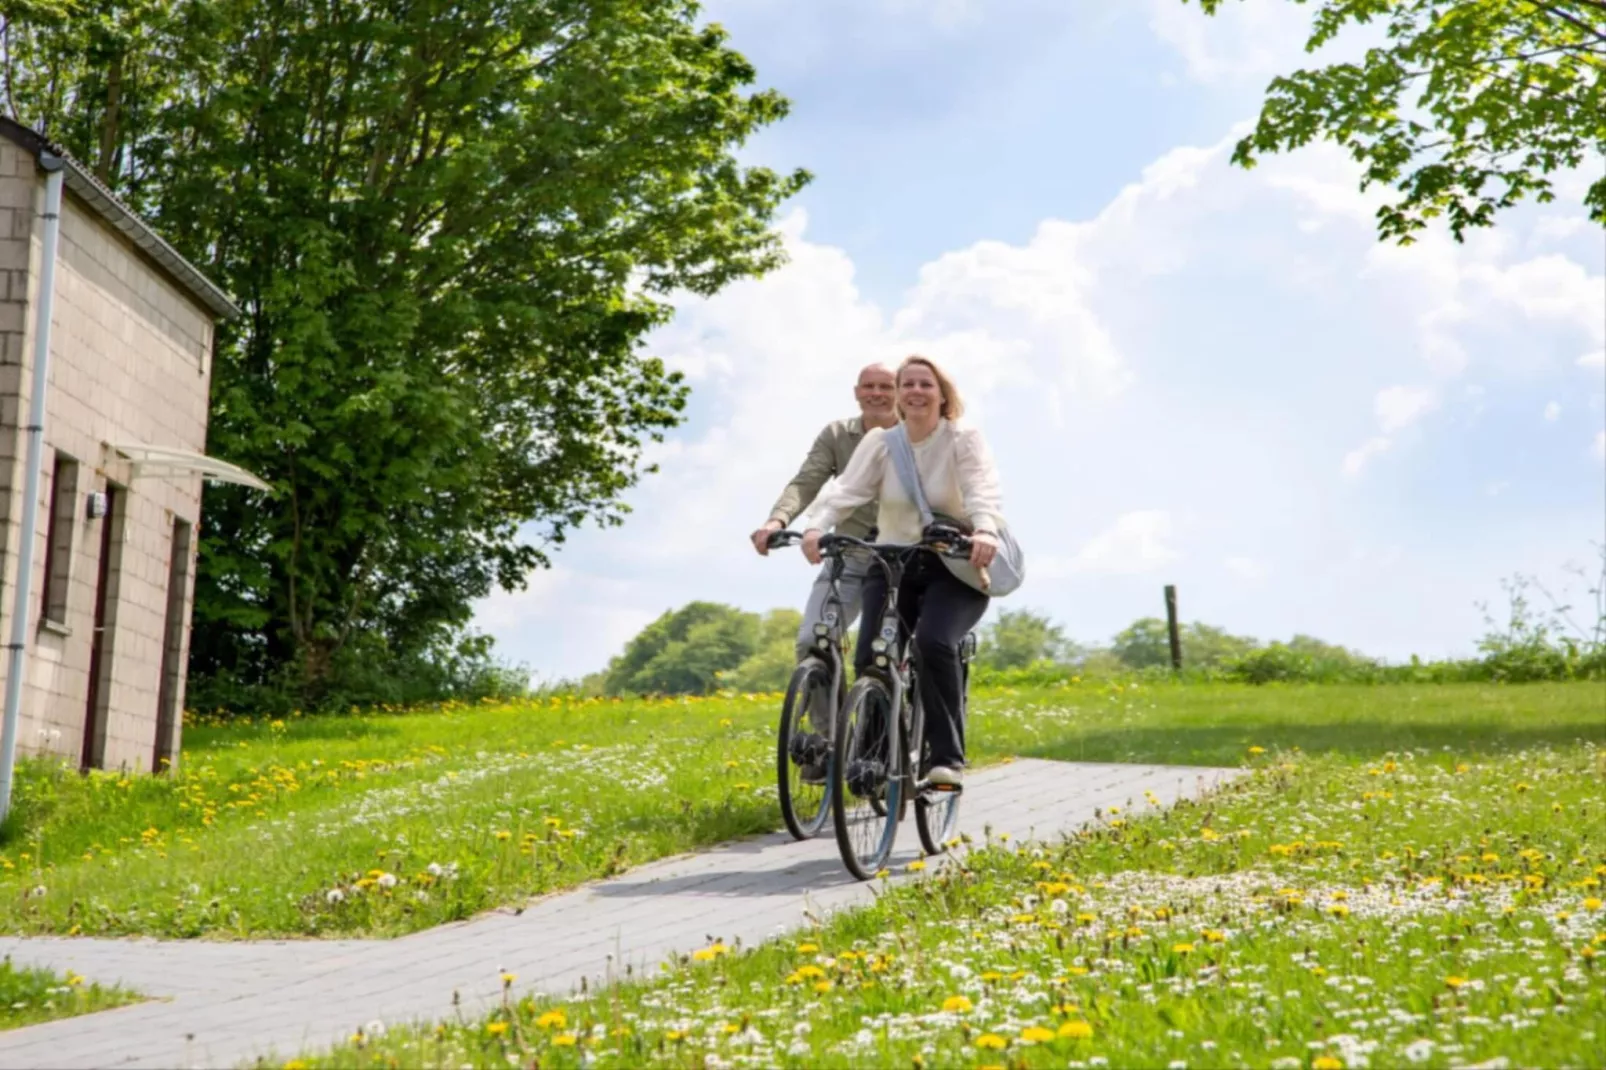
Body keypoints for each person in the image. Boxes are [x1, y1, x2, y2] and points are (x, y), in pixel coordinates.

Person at [796, 355, 1003, 788]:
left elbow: (981, 490)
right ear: (898, 394)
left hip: (955, 564)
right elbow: (846, 492)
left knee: (932, 643)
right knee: (871, 655)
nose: (915, 391)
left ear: (942, 394)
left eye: (925, 384)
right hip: (893, 561)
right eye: (907, 384)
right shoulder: (882, 444)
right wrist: (815, 527)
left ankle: (945, 760)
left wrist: (984, 530)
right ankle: (870, 761)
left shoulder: (962, 438)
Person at [751, 362, 899, 666]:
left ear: (900, 392)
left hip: (902, 557)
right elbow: (806, 482)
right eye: (869, 386)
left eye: (886, 386)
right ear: (857, 393)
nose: (876, 393)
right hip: (850, 552)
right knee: (811, 643)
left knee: (888, 652)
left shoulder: (916, 435)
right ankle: (826, 715)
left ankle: (905, 708)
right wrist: (776, 521)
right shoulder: (837, 434)